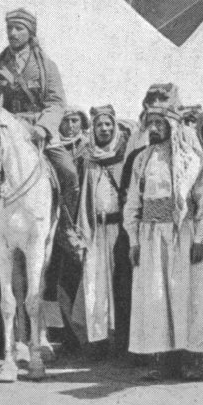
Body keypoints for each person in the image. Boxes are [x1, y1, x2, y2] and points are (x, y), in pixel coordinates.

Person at [124, 84, 203, 381]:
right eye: (150, 123)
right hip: (150, 237)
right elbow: (132, 204)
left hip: (184, 235)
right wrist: (133, 240)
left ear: (173, 125)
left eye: (159, 123)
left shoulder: (193, 159)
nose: (154, 128)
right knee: (155, 297)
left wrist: (200, 237)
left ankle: (192, 359)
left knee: (186, 296)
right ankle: (161, 359)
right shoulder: (141, 159)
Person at [0, 8, 79, 218]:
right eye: (9, 28)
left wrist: (43, 127)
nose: (12, 33)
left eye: (18, 28)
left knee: (69, 172)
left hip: (37, 132)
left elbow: (56, 102)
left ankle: (68, 225)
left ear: (30, 32)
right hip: (5, 132)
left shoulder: (46, 67)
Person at [73, 105, 127, 352]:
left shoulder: (124, 156)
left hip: (118, 230)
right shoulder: (87, 159)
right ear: (93, 129)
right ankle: (98, 340)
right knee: (95, 285)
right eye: (99, 125)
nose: (104, 129)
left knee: (119, 284)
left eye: (108, 125)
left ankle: (121, 339)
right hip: (95, 230)